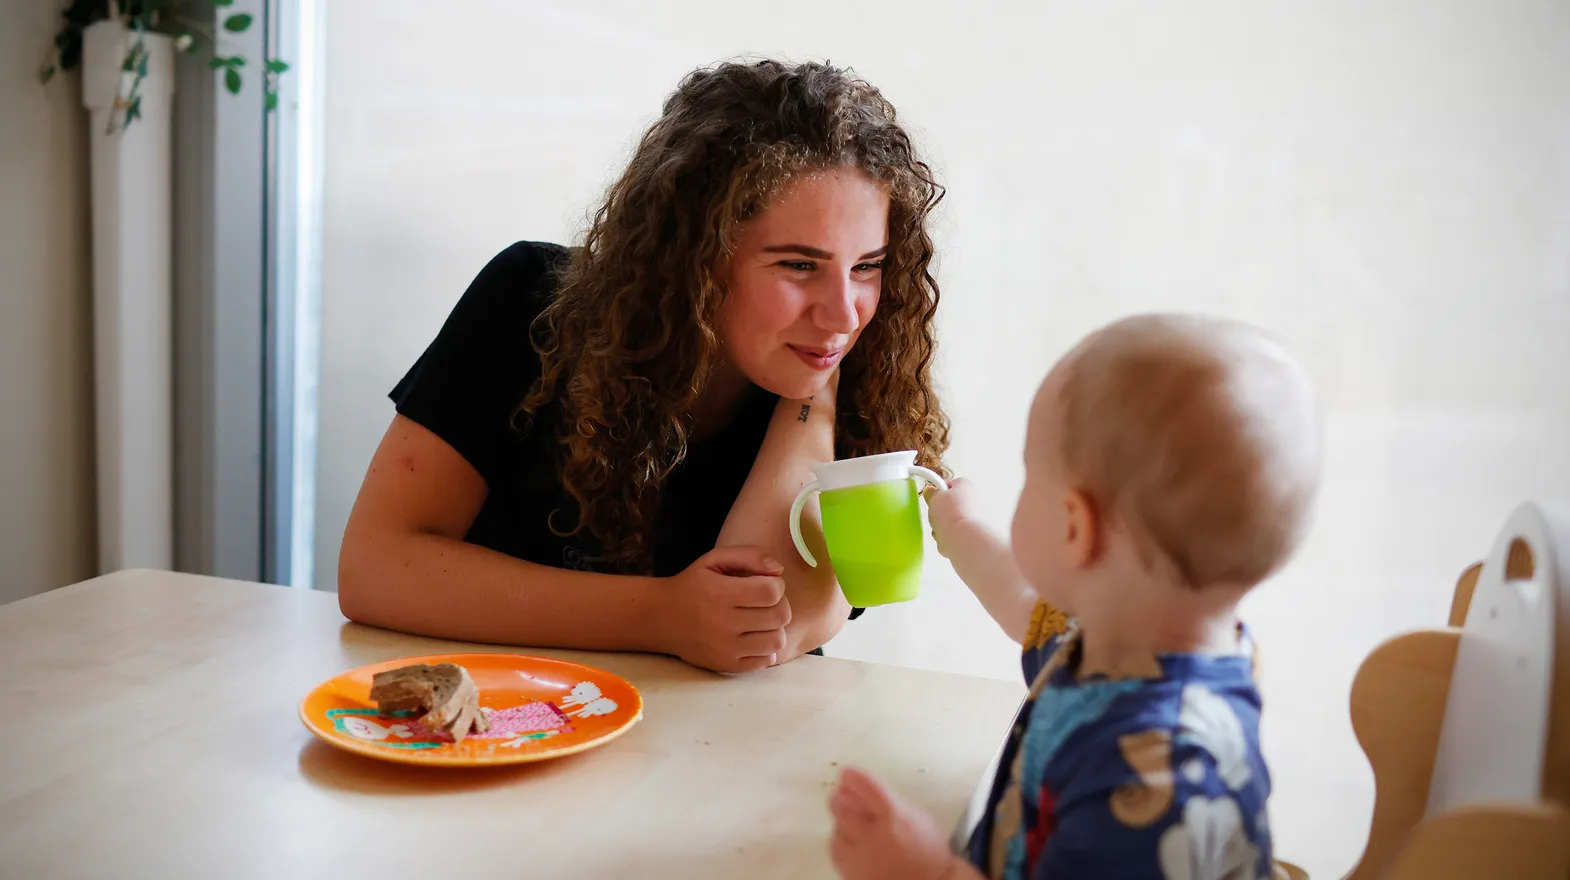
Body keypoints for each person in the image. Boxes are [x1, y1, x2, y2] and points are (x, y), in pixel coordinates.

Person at [337, 59, 950, 674]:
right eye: (798, 265)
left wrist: (813, 399)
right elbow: (375, 569)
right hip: (499, 721)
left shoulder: (860, 381)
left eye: (867, 266)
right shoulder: (528, 302)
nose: (844, 313)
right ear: (695, 259)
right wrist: (660, 615)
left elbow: (767, 625)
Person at [828, 314, 1321, 879]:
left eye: (1030, 474)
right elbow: (1022, 602)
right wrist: (961, 531)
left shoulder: (1155, 776)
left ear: (1072, 527)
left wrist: (925, 871)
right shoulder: (1130, 642)